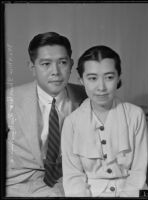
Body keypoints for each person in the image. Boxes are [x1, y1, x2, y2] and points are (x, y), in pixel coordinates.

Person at [6, 32, 87, 197]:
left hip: (71, 181)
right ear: (32, 67)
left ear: (71, 64)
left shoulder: (88, 97)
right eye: (45, 64)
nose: (55, 72)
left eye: (62, 62)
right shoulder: (9, 100)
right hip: (19, 184)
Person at [61, 45, 148, 197]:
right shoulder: (71, 122)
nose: (101, 87)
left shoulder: (136, 115)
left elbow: (139, 171)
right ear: (81, 80)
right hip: (90, 192)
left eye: (109, 77)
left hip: (135, 190)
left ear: (119, 77)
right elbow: (73, 177)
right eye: (92, 78)